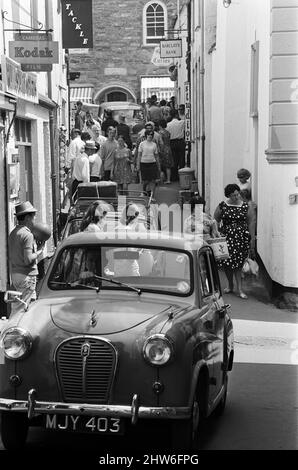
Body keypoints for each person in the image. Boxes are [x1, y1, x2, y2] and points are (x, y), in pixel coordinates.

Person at [214, 183, 256, 299]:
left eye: (237, 194)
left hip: (241, 238)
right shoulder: (223, 206)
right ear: (228, 196)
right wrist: (216, 233)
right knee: (227, 263)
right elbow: (215, 219)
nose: (236, 197)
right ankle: (230, 284)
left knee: (238, 264)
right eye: (233, 195)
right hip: (226, 238)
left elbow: (251, 222)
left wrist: (252, 238)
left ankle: (240, 289)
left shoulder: (246, 206)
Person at [8, 201, 44, 314]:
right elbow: (28, 259)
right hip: (27, 276)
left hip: (15, 275)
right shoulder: (27, 235)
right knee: (21, 309)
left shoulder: (13, 233)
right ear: (28, 217)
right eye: (33, 217)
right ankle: (13, 329)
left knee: (30, 306)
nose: (34, 220)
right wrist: (39, 251)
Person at [136, 129, 161, 196]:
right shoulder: (142, 144)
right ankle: (144, 192)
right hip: (143, 163)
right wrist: (138, 165)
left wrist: (158, 166)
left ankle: (151, 195)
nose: (150, 136)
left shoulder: (154, 144)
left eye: (151, 135)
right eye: (148, 134)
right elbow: (139, 155)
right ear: (146, 135)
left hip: (152, 163)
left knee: (152, 181)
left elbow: (156, 156)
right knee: (145, 181)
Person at [166, 110, 185, 181]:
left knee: (174, 160)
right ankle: (182, 175)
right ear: (177, 115)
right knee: (181, 159)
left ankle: (174, 177)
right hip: (180, 142)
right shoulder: (181, 122)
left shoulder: (168, 125)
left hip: (172, 143)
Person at [158, 119, 174, 184]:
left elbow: (161, 142)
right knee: (168, 166)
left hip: (163, 149)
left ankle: (161, 179)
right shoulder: (168, 132)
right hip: (168, 148)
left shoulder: (160, 133)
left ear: (160, 125)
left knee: (160, 164)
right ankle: (168, 179)